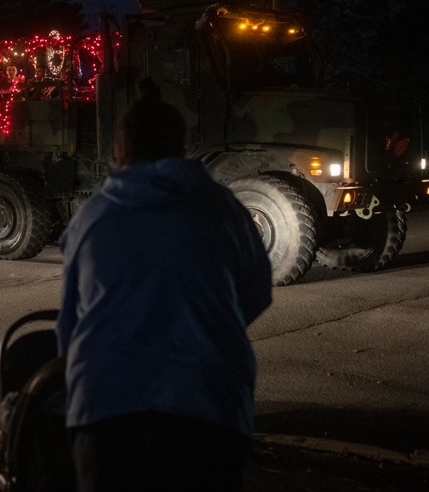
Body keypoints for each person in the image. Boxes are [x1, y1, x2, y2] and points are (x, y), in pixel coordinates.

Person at [55, 79, 272, 492]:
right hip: (208, 407)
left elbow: (69, 323)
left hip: (105, 408)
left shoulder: (91, 218)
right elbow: (256, 293)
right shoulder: (223, 209)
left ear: (119, 149)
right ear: (181, 146)